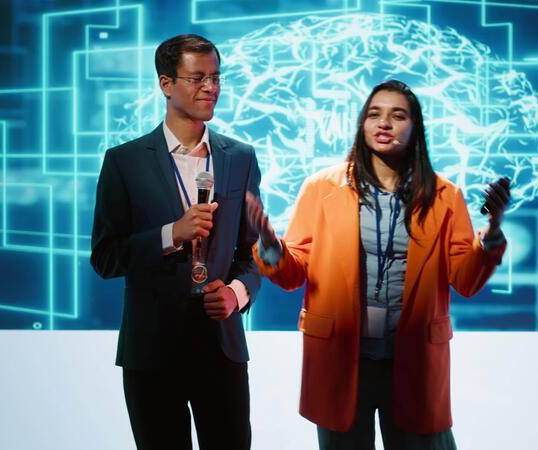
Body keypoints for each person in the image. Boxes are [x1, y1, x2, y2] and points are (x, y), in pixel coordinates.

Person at [246, 80, 510, 449]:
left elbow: (466, 280)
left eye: (397, 115)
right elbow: (292, 274)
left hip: (413, 360)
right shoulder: (321, 188)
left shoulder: (445, 197)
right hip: (341, 358)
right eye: (374, 114)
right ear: (362, 124)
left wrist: (492, 231)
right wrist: (270, 243)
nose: (384, 123)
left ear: (415, 127)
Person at [91, 34, 261, 450]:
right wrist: (171, 234)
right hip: (152, 350)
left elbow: (254, 255)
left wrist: (236, 294)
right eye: (197, 78)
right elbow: (106, 258)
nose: (210, 87)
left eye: (215, 77)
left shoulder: (240, 157)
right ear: (166, 84)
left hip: (221, 346)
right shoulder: (124, 161)